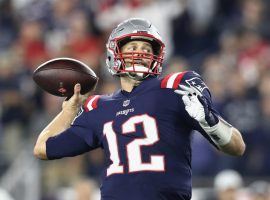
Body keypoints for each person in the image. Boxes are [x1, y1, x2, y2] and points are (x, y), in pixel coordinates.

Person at [34, 18, 246, 200]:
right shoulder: (97, 106)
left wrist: (209, 121)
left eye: (146, 49)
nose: (140, 54)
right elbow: (42, 149)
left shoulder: (175, 87)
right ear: (115, 55)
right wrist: (68, 111)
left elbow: (236, 146)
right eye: (133, 48)